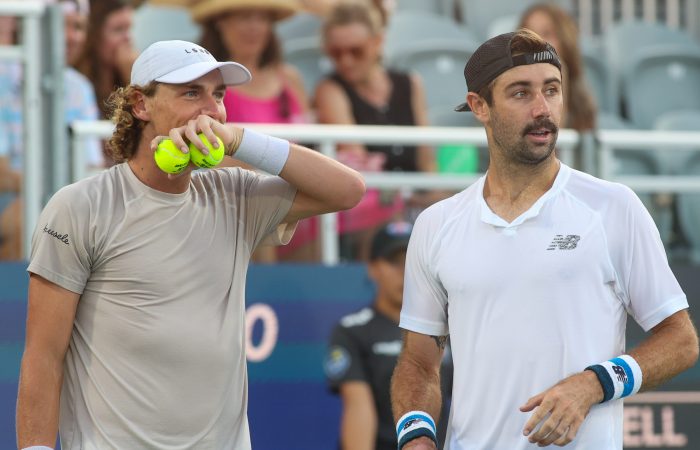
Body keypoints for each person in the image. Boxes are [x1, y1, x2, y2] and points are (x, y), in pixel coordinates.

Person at [15, 39, 365, 449]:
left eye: (219, 95)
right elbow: (43, 356)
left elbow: (348, 190)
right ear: (140, 104)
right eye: (191, 93)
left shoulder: (235, 194)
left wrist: (240, 140)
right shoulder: (79, 206)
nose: (212, 110)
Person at [390, 29, 699, 450]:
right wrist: (416, 437)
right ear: (479, 106)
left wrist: (594, 383)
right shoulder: (436, 224)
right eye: (521, 93)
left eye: (551, 90)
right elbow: (418, 363)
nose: (542, 108)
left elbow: (681, 340)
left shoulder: (614, 206)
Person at [191, 0, 316, 262]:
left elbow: (311, 142)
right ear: (220, 23)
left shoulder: (289, 78)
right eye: (244, 18)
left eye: (262, 18)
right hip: (233, 200)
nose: (254, 27)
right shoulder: (204, 83)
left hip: (293, 197)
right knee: (259, 195)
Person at [315, 1, 436, 261]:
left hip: (413, 206)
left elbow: (427, 162)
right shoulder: (330, 90)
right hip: (367, 215)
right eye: (336, 52)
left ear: (378, 42)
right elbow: (359, 166)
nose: (346, 61)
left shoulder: (410, 83)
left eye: (356, 51)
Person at [325, 221, 452, 450]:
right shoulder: (353, 331)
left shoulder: (450, 328)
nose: (404, 272)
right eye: (394, 262)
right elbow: (358, 407)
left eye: (410, 261)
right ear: (373, 268)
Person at [0, 0, 103, 261]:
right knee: (30, 219)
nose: (71, 37)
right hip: (17, 202)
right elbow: (2, 176)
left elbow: (92, 168)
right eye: (61, 25)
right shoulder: (2, 75)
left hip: (59, 200)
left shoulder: (80, 87)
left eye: (78, 27)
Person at [518, 3, 596, 132]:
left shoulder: (582, 104)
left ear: (565, 42)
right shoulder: (507, 92)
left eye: (546, 33)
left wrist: (558, 77)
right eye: (529, 34)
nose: (535, 41)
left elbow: (553, 138)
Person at [74, 0, 137, 119]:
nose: (128, 38)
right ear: (94, 35)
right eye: (118, 29)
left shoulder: (127, 77)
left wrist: (133, 78)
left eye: (129, 29)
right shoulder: (78, 84)